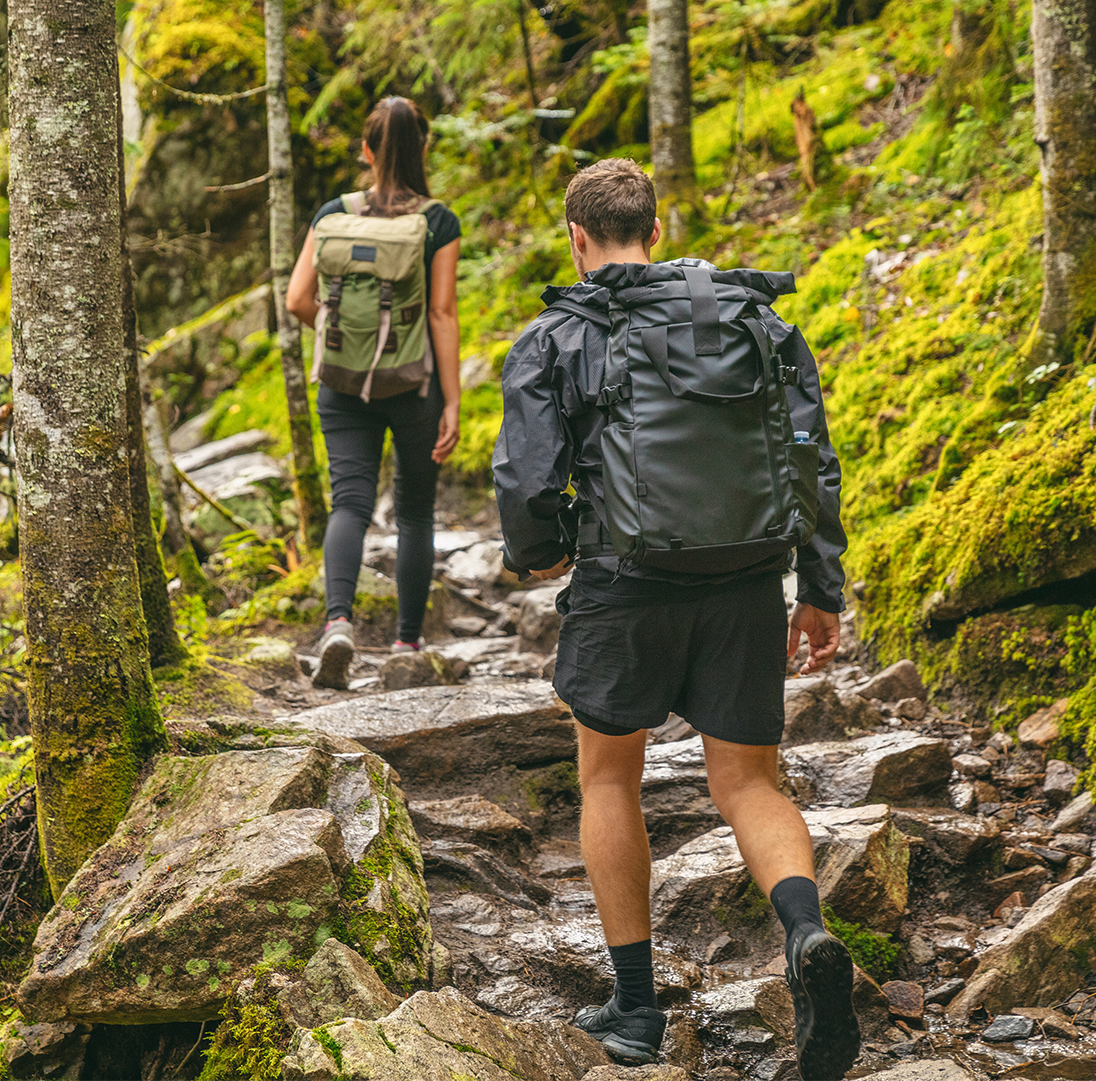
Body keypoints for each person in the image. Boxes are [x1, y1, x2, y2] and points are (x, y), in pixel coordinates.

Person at [492, 158, 860, 1077]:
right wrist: (820, 586)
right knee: (749, 783)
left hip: (623, 583)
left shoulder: (554, 337)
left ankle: (636, 1007)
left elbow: (530, 484)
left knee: (610, 778)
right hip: (744, 580)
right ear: (657, 232)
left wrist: (538, 552)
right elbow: (810, 459)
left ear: (577, 239)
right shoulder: (758, 322)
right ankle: (807, 934)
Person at [288, 96, 463, 689]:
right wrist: (454, 399)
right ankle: (406, 643)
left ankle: (338, 623)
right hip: (414, 385)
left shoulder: (332, 213)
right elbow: (440, 313)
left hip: (341, 382)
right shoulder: (437, 221)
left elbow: (296, 301)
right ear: (424, 147)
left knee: (350, 503)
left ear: (366, 151)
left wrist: (348, 343)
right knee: (414, 510)